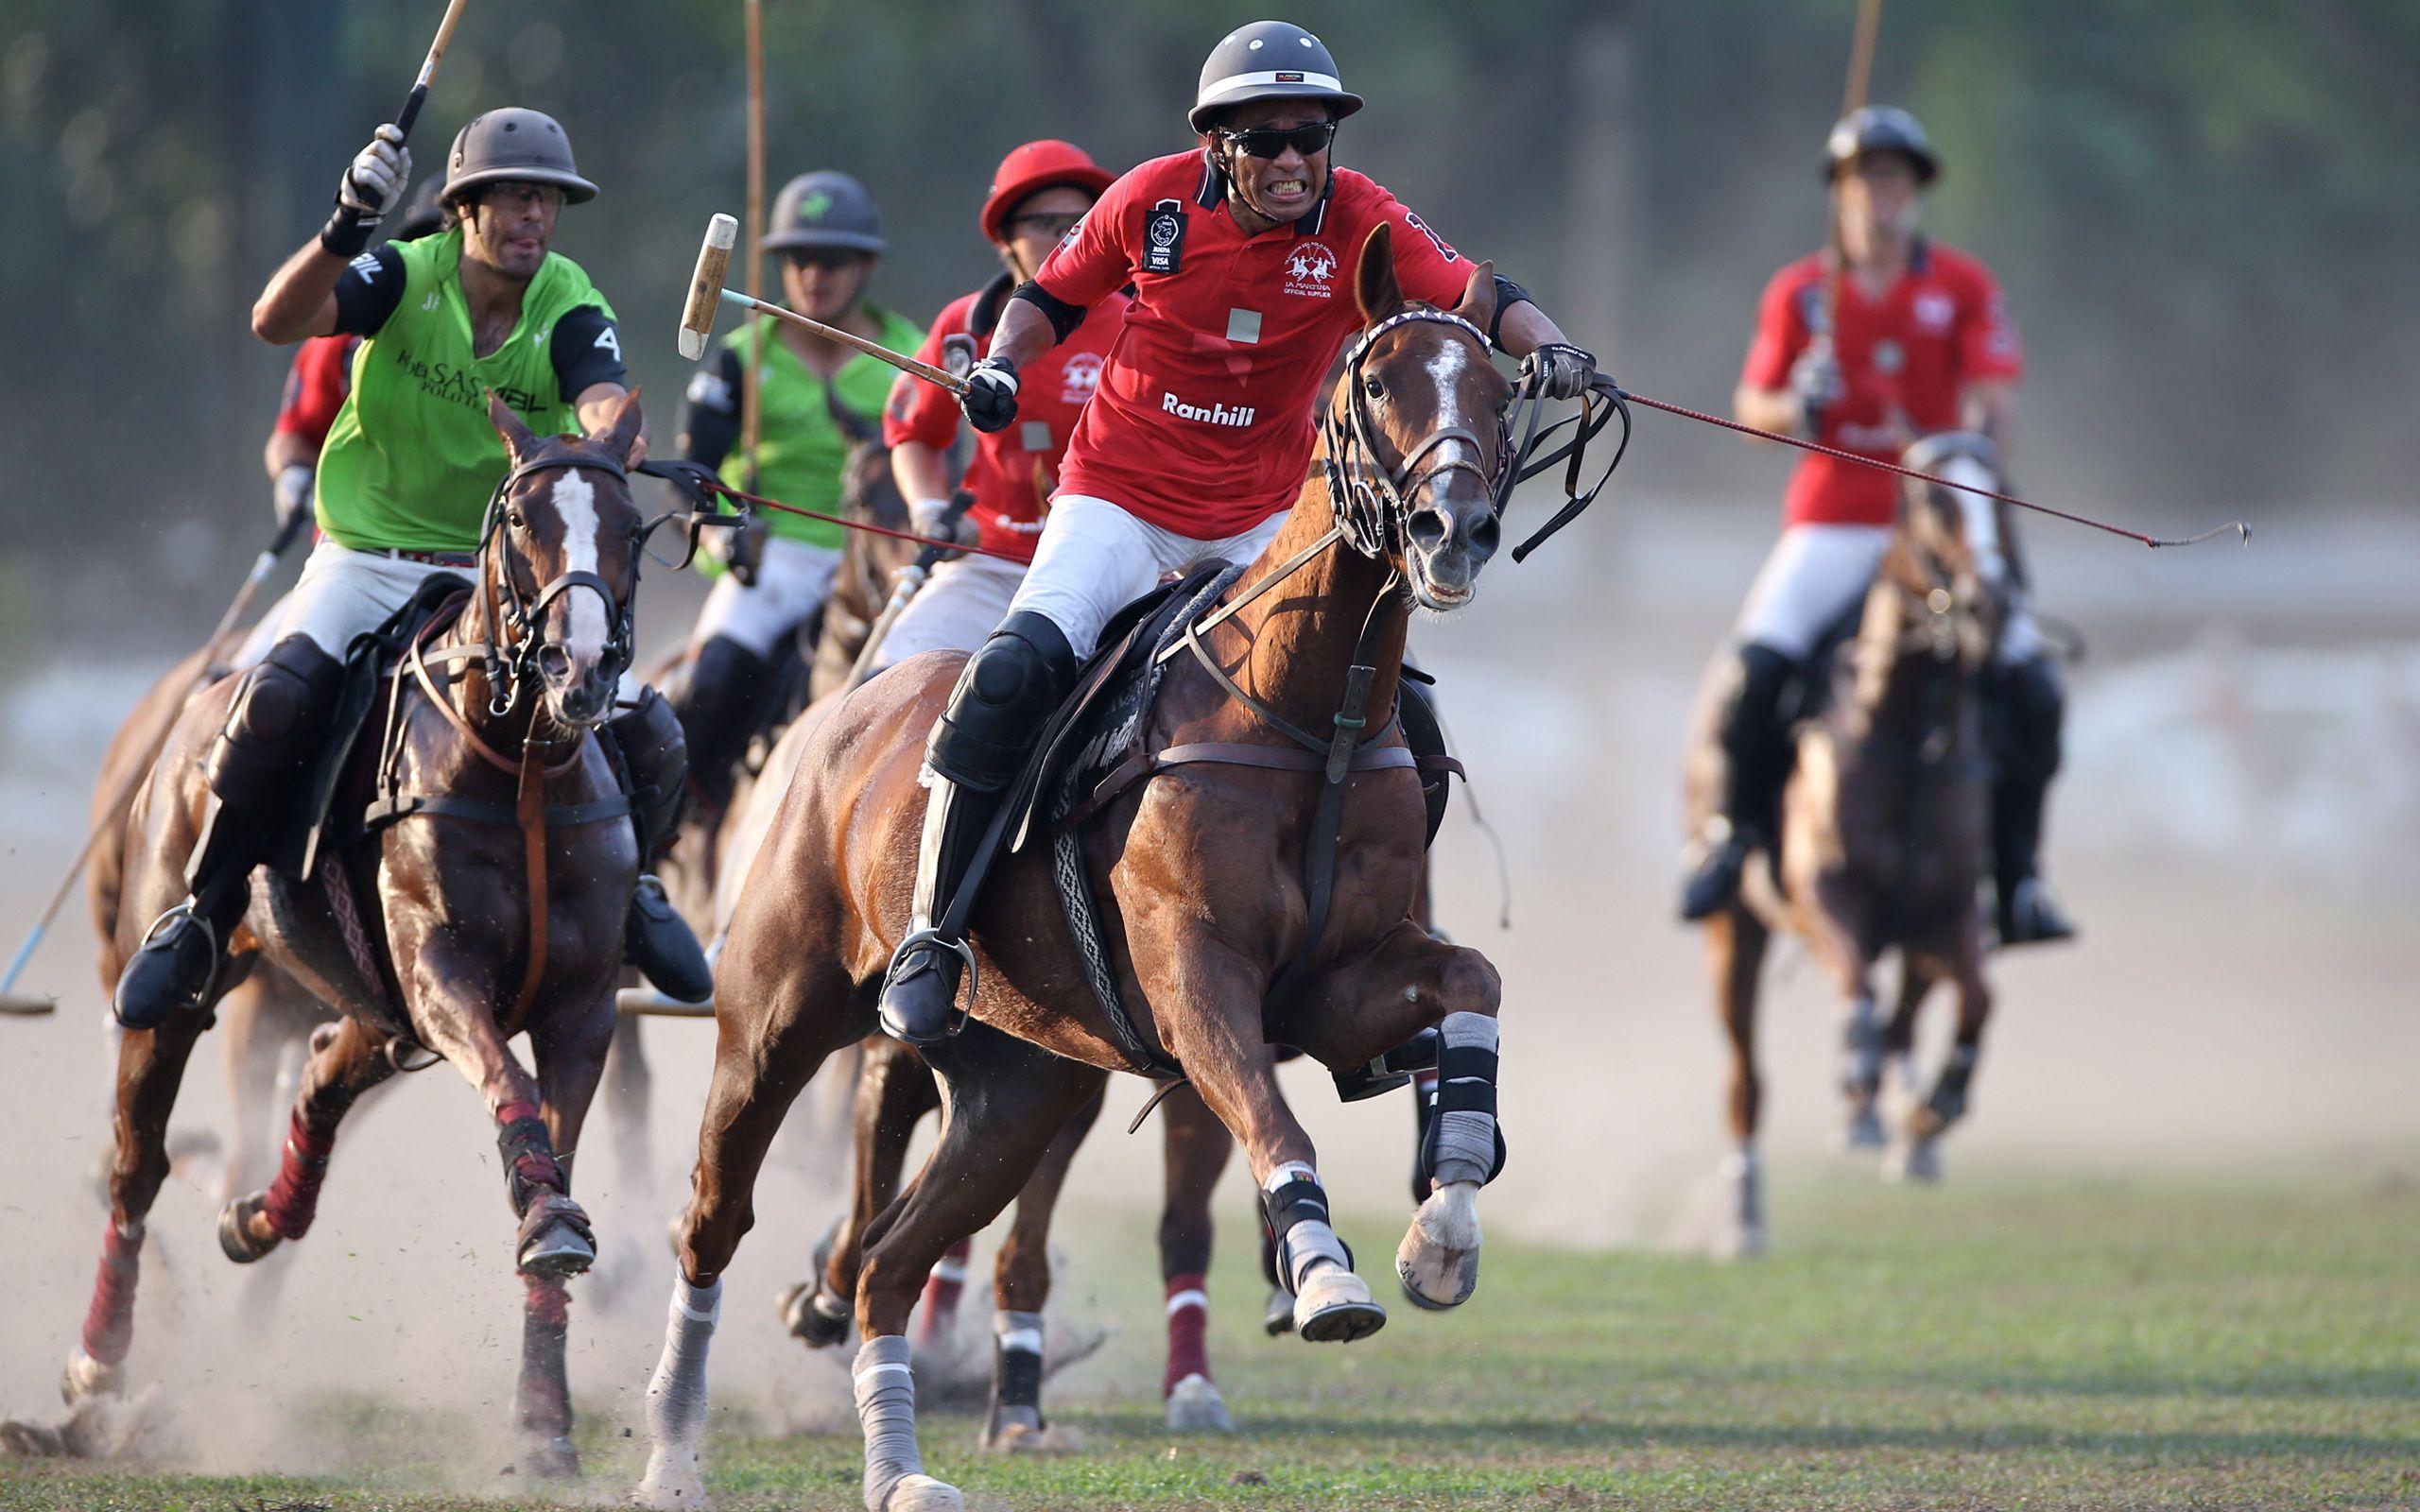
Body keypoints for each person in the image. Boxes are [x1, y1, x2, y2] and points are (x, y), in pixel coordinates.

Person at [875, 20, 1600, 1044]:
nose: (1294, 159)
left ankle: (1369, 960)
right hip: (1119, 499)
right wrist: (1000, 360)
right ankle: (932, 931)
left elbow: (1480, 293)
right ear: (1219, 145)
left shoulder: (1360, 217)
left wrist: (1558, 350)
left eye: (1310, 136)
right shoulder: (1148, 201)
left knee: (1397, 714)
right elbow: (1048, 299)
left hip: (1261, 518)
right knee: (1009, 673)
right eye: (1266, 141)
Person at [114, 108, 711, 1030]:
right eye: (515, 196)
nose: (535, 216)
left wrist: (604, 437)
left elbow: (596, 386)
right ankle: (204, 914)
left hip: (495, 574)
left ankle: (635, 892)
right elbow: (276, 321)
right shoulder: (404, 274)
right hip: (367, 556)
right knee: (274, 699)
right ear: (465, 208)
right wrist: (345, 227)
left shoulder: (569, 297)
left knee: (651, 728)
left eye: (548, 200)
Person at [1680, 105, 2075, 945]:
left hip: (1938, 522)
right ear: (1843, 192)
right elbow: (1752, 409)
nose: (1881, 193)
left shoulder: (1962, 286)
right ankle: (1731, 840)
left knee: (2032, 687)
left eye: (1895, 177)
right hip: (1835, 519)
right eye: (1866, 177)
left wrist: (1959, 451)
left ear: (1915, 191)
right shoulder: (1801, 294)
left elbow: (1993, 399)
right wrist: (1801, 401)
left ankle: (2019, 877)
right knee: (1753, 672)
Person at [670, 171, 925, 817]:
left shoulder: (909, 356)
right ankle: (669, 822)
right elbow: (690, 473)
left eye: (834, 260)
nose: (815, 275)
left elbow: (945, 463)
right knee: (715, 676)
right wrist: (726, 529)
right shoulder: (741, 356)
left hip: (883, 557)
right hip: (777, 556)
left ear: (866, 264)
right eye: (800, 260)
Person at [873, 139, 1126, 672]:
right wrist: (927, 509)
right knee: (890, 676)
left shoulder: (1143, 321)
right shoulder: (965, 326)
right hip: (992, 561)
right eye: (1046, 223)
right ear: (1004, 242)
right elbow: (915, 433)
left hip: (1114, 565)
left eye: (1080, 222)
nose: (1066, 237)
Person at [259, 181, 447, 598]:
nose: (439, 259)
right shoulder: (340, 342)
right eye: (426, 242)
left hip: (484, 568)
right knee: (268, 662)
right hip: (351, 563)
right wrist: (292, 475)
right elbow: (294, 434)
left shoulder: (516, 340)